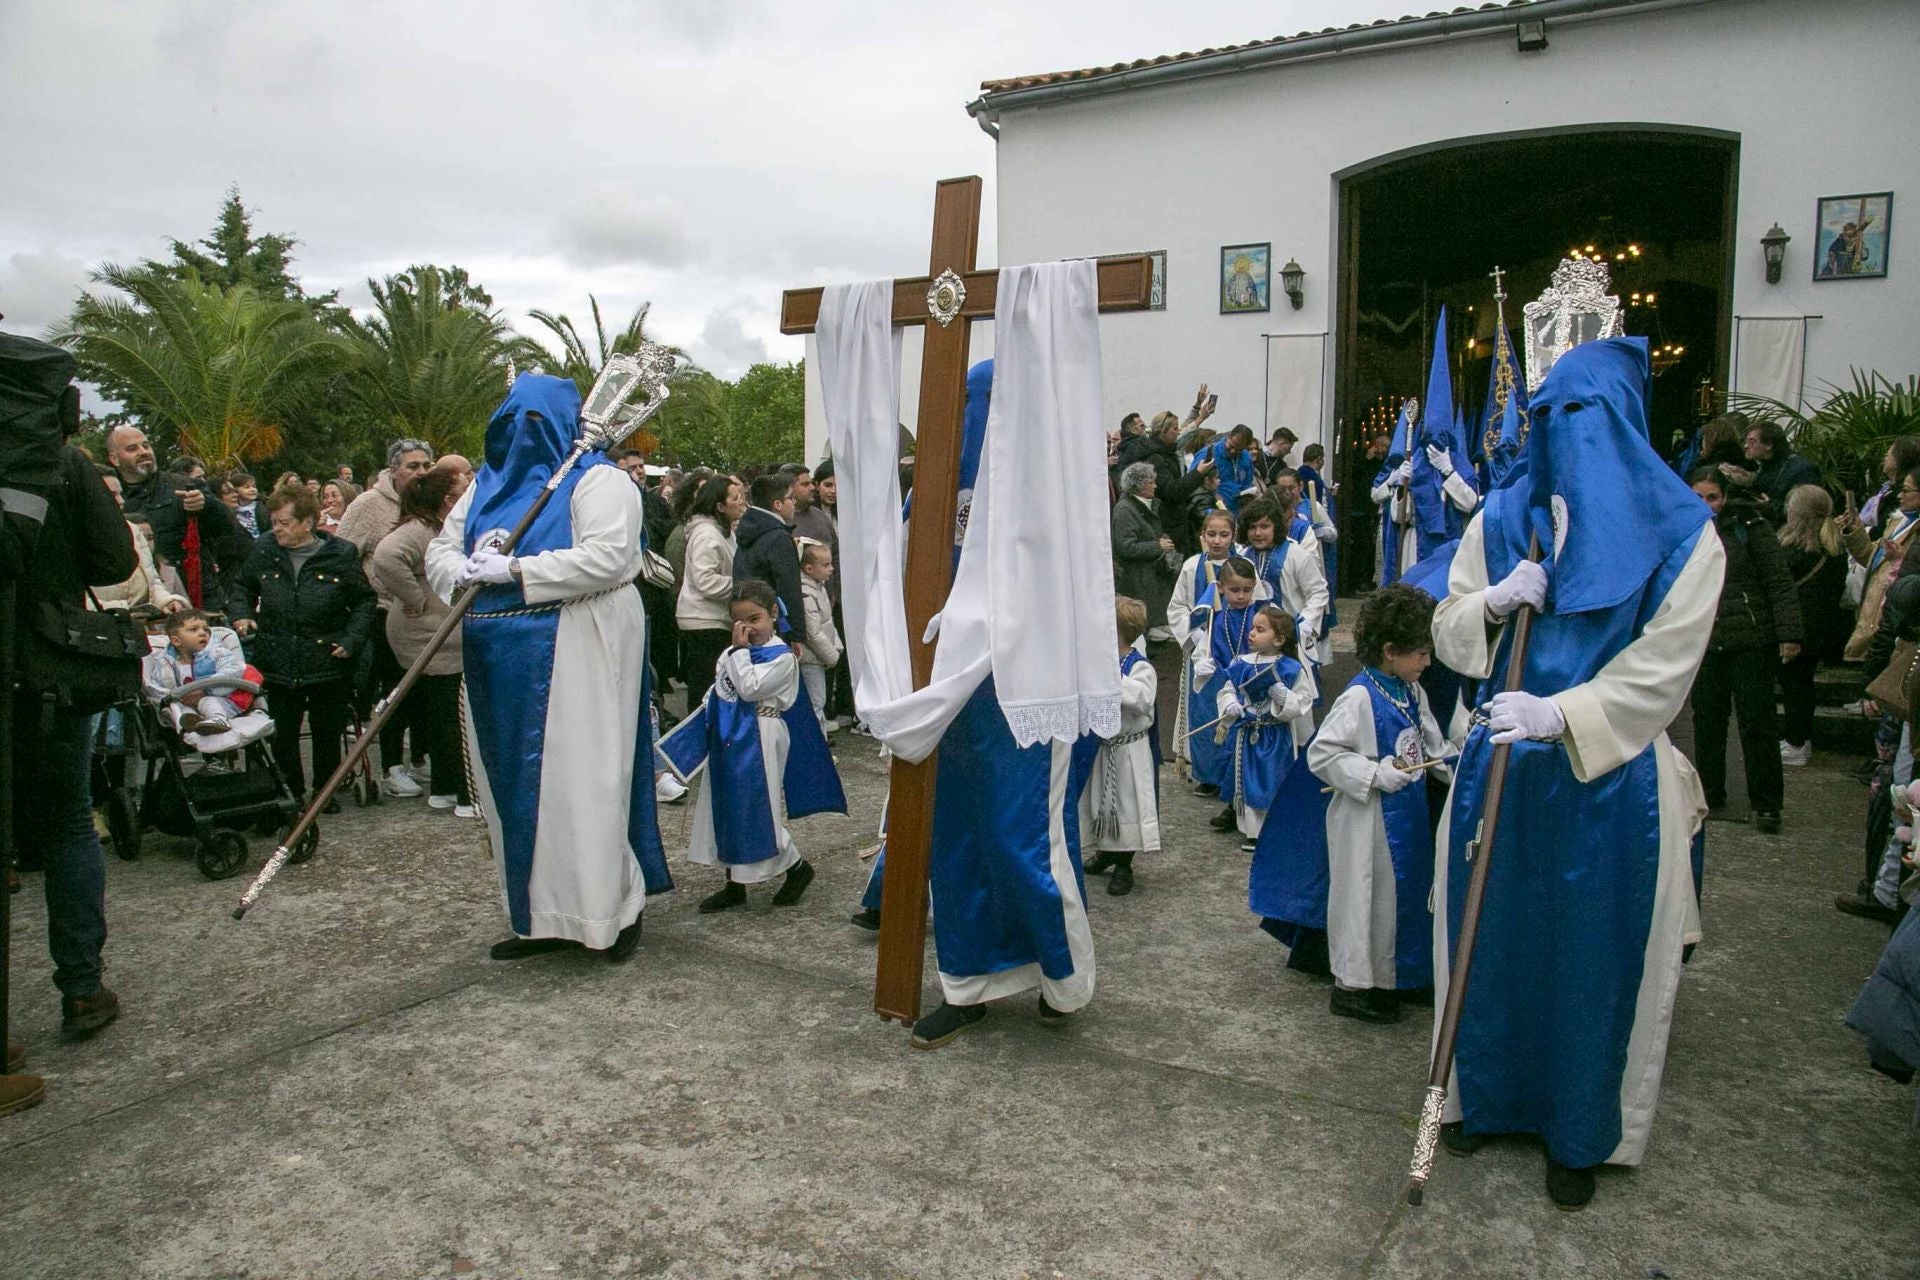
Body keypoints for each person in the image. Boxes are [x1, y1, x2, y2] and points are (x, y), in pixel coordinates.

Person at [1428, 337, 1724, 1210]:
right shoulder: (1502, 516)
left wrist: (1563, 713)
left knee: (1592, 954)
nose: (1564, 430)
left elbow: (1667, 666)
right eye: (1549, 413)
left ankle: (1578, 1128)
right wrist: (1491, 601)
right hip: (1503, 773)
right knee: (1492, 941)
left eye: (1583, 413)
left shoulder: (1684, 535)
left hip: (1610, 778)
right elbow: (1449, 626)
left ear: (1624, 418)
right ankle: (1485, 1095)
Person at [426, 373, 670, 962]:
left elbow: (612, 557)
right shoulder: (482, 486)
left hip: (579, 646)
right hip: (495, 655)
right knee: (512, 789)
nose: (521, 435)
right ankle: (538, 918)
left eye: (535, 423)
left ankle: (610, 914)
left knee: (585, 781)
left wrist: (516, 572)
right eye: (510, 423)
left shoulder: (599, 479)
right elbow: (441, 549)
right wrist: (461, 570)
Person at [4, 336, 137, 1093]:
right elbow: (115, 562)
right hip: (48, 674)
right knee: (65, 826)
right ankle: (82, 987)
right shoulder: (59, 461)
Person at [1250, 583, 1451, 1024]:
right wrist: (1374, 773)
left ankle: (1397, 975)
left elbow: (1432, 743)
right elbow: (1323, 754)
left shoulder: (1411, 691)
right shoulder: (1359, 697)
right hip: (1366, 820)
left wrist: (1458, 759)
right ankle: (1353, 985)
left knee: (1399, 899)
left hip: (1405, 818)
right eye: (1420, 652)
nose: (1428, 662)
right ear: (1390, 650)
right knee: (1363, 899)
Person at [684, 579, 844, 912]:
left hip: (763, 732)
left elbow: (750, 688)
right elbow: (722, 688)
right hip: (729, 735)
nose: (747, 629)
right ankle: (734, 883)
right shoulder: (731, 653)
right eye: (739, 622)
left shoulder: (783, 657)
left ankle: (796, 866)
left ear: (773, 614)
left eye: (754, 619)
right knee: (725, 804)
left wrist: (739, 655)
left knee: (756, 806)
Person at [230, 485, 377, 807]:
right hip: (278, 657)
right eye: (274, 522)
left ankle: (325, 791)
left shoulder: (341, 553)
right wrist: (241, 615)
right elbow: (242, 586)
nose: (277, 529)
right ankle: (291, 793)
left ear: (307, 522)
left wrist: (350, 640)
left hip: (326, 657)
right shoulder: (264, 549)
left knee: (327, 731)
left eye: (284, 522)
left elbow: (365, 601)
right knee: (284, 732)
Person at [1685, 468, 1801, 833]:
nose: (1706, 505)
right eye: (1698, 496)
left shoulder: (1750, 526)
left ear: (1725, 496)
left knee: (1757, 722)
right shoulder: (1683, 529)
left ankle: (1767, 803)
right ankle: (1709, 791)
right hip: (1705, 637)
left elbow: (1778, 581)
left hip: (1750, 637)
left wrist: (1789, 633)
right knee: (1707, 720)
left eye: (1712, 497)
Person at [367, 469, 475, 817]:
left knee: (441, 714)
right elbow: (385, 557)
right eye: (463, 486)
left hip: (437, 633)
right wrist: (415, 600)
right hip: (430, 635)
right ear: (448, 500)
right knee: (452, 717)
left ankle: (444, 787)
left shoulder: (437, 528)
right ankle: (463, 792)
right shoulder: (417, 531)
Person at [338, 437, 437, 797]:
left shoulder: (433, 503)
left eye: (427, 465)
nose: (421, 472)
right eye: (413, 466)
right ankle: (392, 765)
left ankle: (421, 757)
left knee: (427, 689)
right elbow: (343, 555)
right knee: (395, 691)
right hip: (383, 611)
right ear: (393, 470)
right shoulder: (369, 505)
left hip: (428, 614)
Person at [104, 425, 250, 611]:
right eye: (132, 449)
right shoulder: (109, 494)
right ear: (114, 459)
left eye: (146, 446)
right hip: (139, 597)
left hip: (196, 594)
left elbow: (229, 528)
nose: (143, 452)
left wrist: (206, 505)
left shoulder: (184, 485)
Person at [1212, 605, 1314, 852]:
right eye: (1252, 628)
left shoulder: (1291, 668)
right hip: (1248, 734)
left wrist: (1283, 696)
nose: (1252, 633)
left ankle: (1273, 828)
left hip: (1276, 735)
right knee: (1248, 780)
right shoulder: (1240, 664)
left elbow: (1302, 701)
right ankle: (1252, 830)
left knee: (1273, 779)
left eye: (1260, 629)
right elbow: (1227, 689)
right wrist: (1231, 705)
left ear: (1279, 639)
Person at [1081, 597, 1160, 896]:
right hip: (1102, 745)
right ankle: (1105, 850)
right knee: (1102, 801)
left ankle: (1124, 863)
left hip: (1128, 750)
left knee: (1126, 803)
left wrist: (1111, 678)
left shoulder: (1139, 665)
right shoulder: (1098, 661)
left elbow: (1142, 699)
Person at [1775, 485, 1851, 766]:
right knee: (1803, 685)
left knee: (1793, 685)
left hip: (1796, 628)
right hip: (1822, 629)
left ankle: (1796, 741)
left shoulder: (1792, 549)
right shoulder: (1834, 545)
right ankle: (1801, 739)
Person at [1168, 510, 1240, 796]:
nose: (1217, 540)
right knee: (1203, 709)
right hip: (1201, 652)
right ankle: (1206, 773)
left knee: (1230, 708)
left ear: (1233, 536)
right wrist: (1195, 634)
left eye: (1224, 535)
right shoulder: (1191, 566)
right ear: (1202, 535)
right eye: (1211, 534)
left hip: (1232, 649)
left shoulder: (1241, 564)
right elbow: (1178, 606)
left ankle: (1231, 773)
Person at [1190, 556, 1263, 830]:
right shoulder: (1216, 618)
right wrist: (1203, 666)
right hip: (1230, 692)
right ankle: (1233, 805)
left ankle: (1255, 809)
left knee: (1254, 754)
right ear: (1221, 588)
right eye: (1235, 590)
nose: (1241, 596)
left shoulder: (1261, 613)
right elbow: (1207, 651)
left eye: (1246, 589)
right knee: (1229, 751)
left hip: (1257, 688)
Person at [677, 473, 746, 708]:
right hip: (703, 621)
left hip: (713, 617)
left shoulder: (722, 531)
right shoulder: (707, 534)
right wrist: (740, 586)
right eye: (735, 498)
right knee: (704, 689)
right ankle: (700, 740)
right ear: (719, 506)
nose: (740, 502)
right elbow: (704, 580)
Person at [1236, 498, 1329, 672]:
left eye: (1264, 526)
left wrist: (1305, 625)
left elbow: (1318, 592)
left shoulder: (1297, 555)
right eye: (1252, 527)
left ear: (1277, 527)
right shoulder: (1242, 558)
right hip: (1252, 641)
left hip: (1290, 640)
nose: (1257, 533)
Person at [1845, 464, 1920, 661]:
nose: (1899, 496)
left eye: (1906, 490)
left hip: (1894, 617)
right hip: (1872, 612)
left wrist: (1898, 560)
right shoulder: (1898, 522)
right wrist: (1855, 531)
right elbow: (1871, 559)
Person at [731, 472, 808, 651]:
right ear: (777, 504)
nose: (794, 503)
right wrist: (796, 634)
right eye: (791, 498)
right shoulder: (779, 538)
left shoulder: (748, 530)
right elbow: (789, 588)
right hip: (774, 625)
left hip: (746, 620)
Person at [94, 470, 188, 614]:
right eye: (112, 495)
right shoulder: (73, 537)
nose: (121, 501)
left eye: (120, 493)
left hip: (144, 620)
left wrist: (166, 601)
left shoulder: (133, 530)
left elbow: (152, 581)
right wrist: (123, 610)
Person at [142, 609, 244, 736]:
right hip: (183, 701)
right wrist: (173, 696)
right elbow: (157, 685)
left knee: (207, 702)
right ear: (176, 641)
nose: (203, 633)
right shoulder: (165, 663)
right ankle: (193, 725)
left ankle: (218, 721)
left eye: (206, 629)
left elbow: (232, 672)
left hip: (219, 699)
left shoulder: (218, 653)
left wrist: (205, 689)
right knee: (178, 710)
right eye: (193, 629)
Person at [1111, 461, 1177, 636]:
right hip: (1137, 578)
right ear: (1139, 485)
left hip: (1148, 575)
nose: (1155, 485)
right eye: (1151, 482)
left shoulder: (1142, 505)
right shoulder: (1125, 510)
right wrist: (1157, 546)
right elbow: (1125, 547)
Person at [795, 541, 842, 726]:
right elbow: (812, 632)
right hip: (811, 659)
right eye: (825, 565)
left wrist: (836, 646)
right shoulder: (807, 594)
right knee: (816, 704)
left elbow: (827, 622)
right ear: (808, 568)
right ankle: (815, 749)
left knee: (818, 703)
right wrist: (832, 656)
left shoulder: (818, 588)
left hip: (818, 657)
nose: (831, 569)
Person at [1742, 419, 1820, 518]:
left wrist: (1770, 507)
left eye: (1752, 442)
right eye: (1746, 441)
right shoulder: (1765, 467)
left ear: (1768, 445)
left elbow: (1804, 509)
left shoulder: (1802, 469)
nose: (1746, 446)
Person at [1194, 424, 1259, 515]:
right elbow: (1193, 484)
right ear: (1228, 436)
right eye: (1231, 446)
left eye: (1238, 450)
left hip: (1237, 513)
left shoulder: (1246, 458)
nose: (1233, 451)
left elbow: (1247, 483)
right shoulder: (1207, 453)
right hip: (1211, 512)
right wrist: (1213, 494)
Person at [228, 470, 262, 537]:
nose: (252, 489)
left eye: (254, 486)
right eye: (247, 487)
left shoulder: (262, 505)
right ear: (235, 490)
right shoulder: (232, 510)